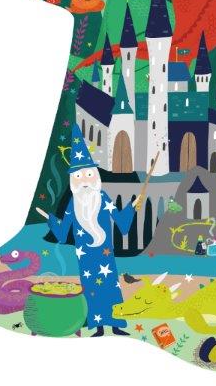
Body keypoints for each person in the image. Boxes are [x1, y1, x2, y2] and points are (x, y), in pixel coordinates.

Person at [35, 128, 138, 337]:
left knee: (111, 286)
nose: (84, 180)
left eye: (88, 175)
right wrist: (51, 220)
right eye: (79, 176)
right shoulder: (73, 204)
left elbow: (121, 222)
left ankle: (115, 324)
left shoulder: (103, 197)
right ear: (74, 179)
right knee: (91, 289)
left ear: (95, 176)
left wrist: (132, 207)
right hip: (86, 257)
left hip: (105, 254)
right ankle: (98, 326)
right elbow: (63, 232)